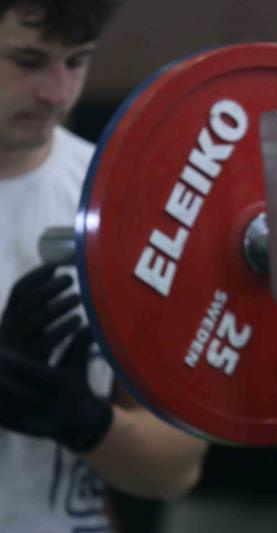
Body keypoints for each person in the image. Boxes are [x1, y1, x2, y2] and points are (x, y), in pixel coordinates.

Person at [0, 1, 208, 531]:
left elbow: (176, 469)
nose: (57, 93)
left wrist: (87, 423)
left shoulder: (121, 203)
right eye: (28, 60)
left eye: (76, 61)